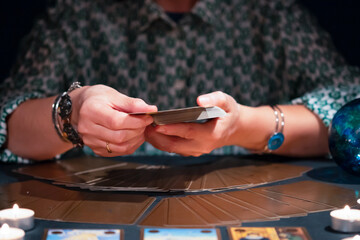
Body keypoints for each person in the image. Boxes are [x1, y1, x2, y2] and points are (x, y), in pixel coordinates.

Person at [1, 0, 360, 163]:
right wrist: (72, 113)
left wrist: (246, 126)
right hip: (98, 209)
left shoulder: (271, 13)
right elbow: (7, 121)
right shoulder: (77, 15)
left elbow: (350, 111)